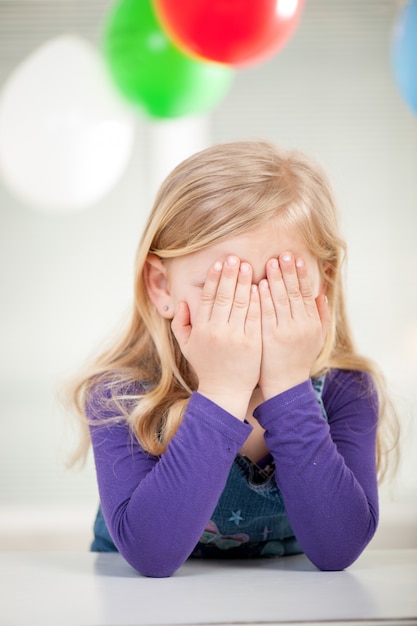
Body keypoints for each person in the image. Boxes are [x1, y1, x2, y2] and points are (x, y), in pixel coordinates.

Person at [68, 140, 399, 578]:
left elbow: (338, 549)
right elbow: (150, 554)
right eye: (223, 289)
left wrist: (288, 386)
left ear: (324, 283)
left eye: (280, 287)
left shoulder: (346, 391)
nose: (251, 312)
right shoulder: (121, 395)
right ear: (162, 286)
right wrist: (223, 391)